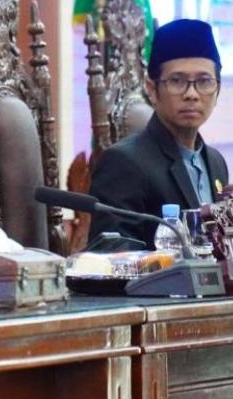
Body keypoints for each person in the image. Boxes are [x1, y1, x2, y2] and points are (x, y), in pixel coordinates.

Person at [89, 19, 229, 248]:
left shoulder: (216, 162)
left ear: (217, 90)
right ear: (152, 91)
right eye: (177, 81)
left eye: (204, 81)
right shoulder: (123, 162)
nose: (192, 94)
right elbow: (110, 252)